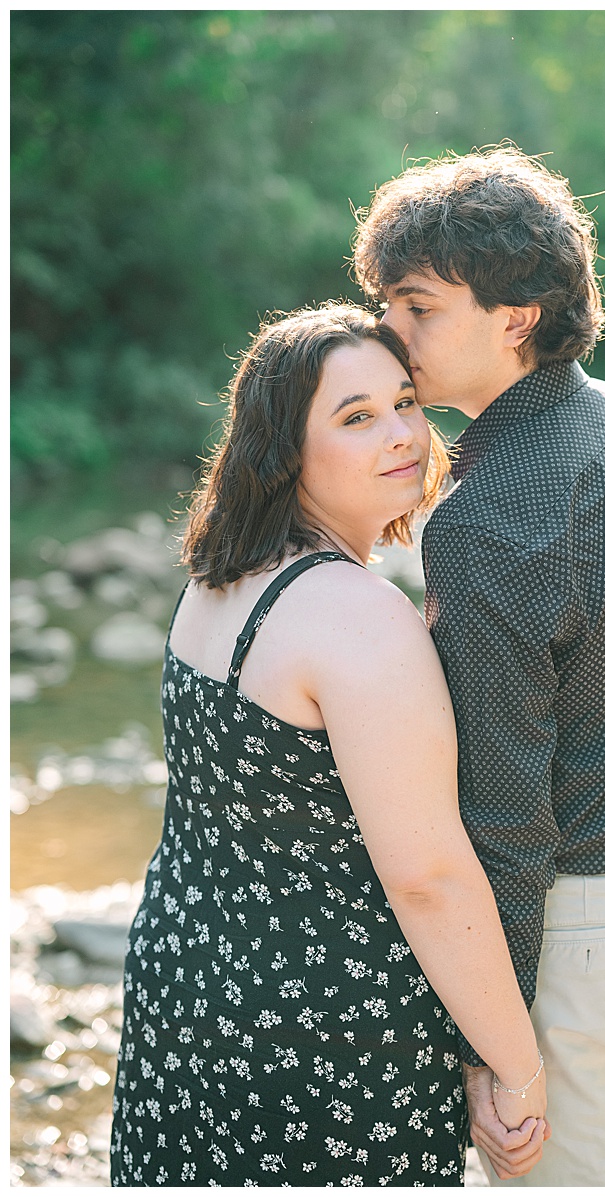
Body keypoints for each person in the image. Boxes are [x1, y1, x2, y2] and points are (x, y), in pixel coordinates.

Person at [352, 146, 605, 1187]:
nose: (386, 334)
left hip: (587, 920)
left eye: (416, 307)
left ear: (515, 314)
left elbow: (504, 807)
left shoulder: (484, 518)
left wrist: (497, 1043)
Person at [109, 305, 548, 1185]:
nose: (402, 435)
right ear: (284, 452)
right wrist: (517, 1064)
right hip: (323, 1036)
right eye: (356, 417)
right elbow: (428, 875)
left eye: (404, 403)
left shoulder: (217, 580)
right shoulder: (360, 617)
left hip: (187, 985)